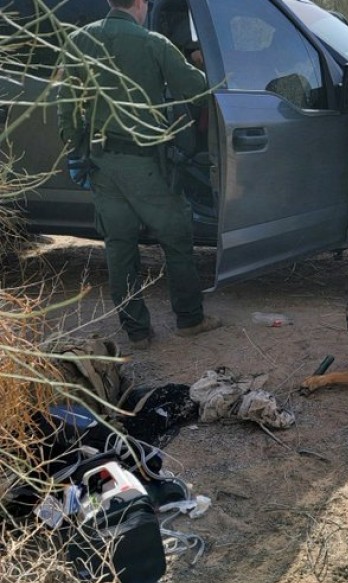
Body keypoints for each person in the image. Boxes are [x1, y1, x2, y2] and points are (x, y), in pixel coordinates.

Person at [57, 0, 220, 350]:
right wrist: (199, 63)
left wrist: (77, 150)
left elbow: (68, 107)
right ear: (142, 4)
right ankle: (190, 319)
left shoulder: (80, 41)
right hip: (144, 163)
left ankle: (137, 331)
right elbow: (198, 90)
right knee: (176, 235)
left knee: (119, 246)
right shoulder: (153, 43)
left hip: (102, 162)